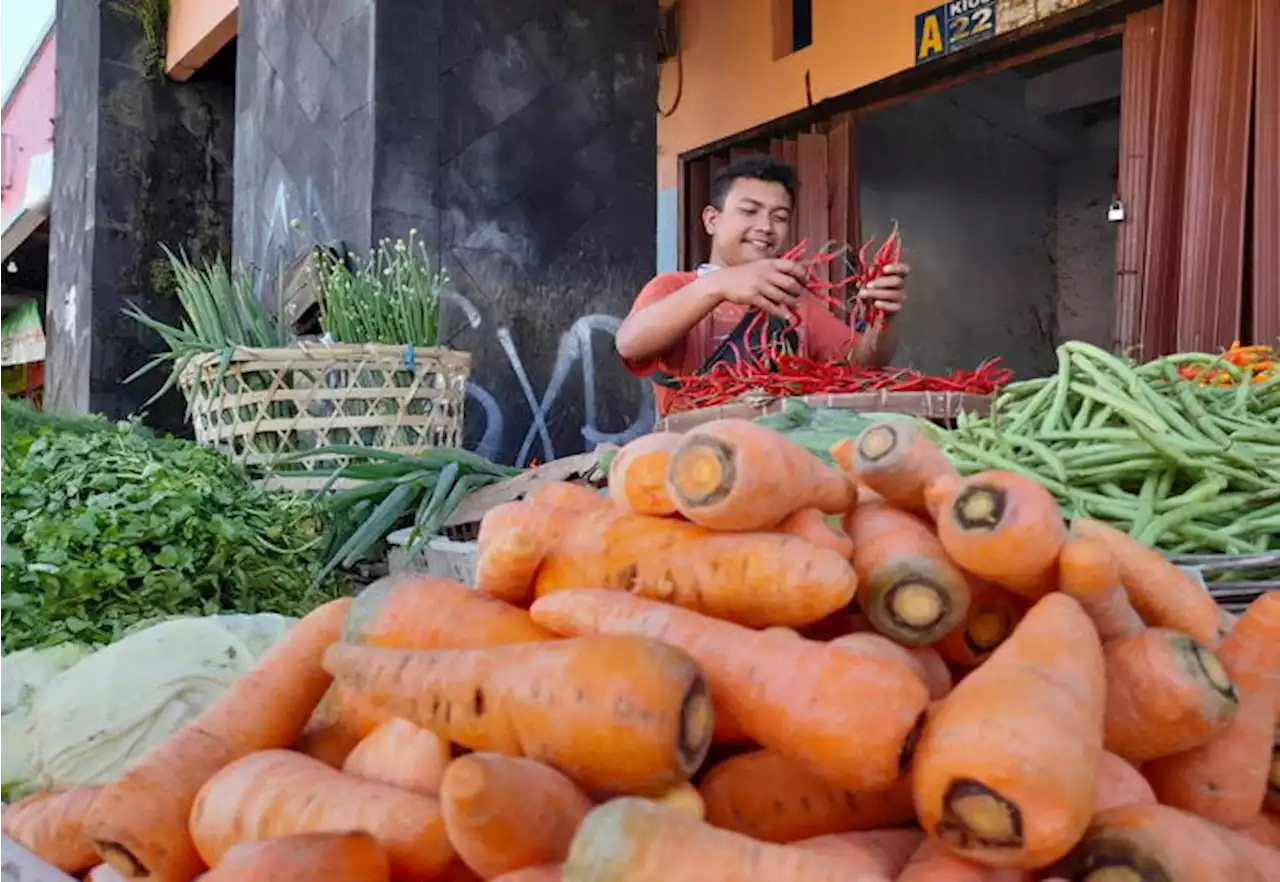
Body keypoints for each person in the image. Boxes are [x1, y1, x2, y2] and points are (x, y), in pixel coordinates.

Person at [616, 154, 910, 417]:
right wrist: (719, 285)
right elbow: (629, 344)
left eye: (779, 217)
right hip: (693, 461)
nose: (766, 227)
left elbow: (862, 365)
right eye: (749, 211)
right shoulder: (674, 287)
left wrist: (881, 320)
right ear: (711, 220)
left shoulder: (794, 302)